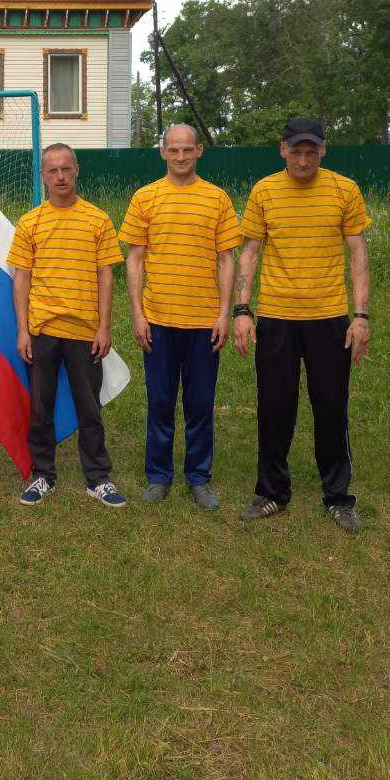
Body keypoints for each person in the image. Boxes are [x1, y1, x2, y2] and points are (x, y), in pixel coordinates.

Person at [233, 118, 371, 532]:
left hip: (329, 318)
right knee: (275, 407)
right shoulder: (264, 190)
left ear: (323, 150)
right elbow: (250, 253)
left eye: (311, 151)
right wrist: (242, 311)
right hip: (276, 317)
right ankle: (272, 491)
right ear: (283, 150)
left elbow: (358, 255)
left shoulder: (345, 190)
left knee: (331, 407)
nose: (304, 158)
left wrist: (360, 316)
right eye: (297, 151)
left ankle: (337, 496)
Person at [119, 123, 240, 510]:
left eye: (188, 149)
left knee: (201, 403)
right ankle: (158, 475)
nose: (182, 157)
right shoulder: (145, 198)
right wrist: (138, 314)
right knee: (160, 401)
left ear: (199, 151)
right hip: (159, 320)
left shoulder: (217, 199)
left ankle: (199, 476)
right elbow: (134, 259)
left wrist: (224, 314)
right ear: (163, 153)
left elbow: (227, 259)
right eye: (174, 150)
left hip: (205, 322)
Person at [8, 143, 127, 508]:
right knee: (40, 409)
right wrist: (23, 330)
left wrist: (104, 327)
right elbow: (21, 278)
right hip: (42, 332)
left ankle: (97, 478)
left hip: (85, 332)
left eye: (66, 169)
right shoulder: (31, 222)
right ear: (43, 176)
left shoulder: (97, 219)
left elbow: (106, 276)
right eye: (52, 171)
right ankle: (43, 475)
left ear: (76, 171)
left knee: (89, 409)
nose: (60, 177)